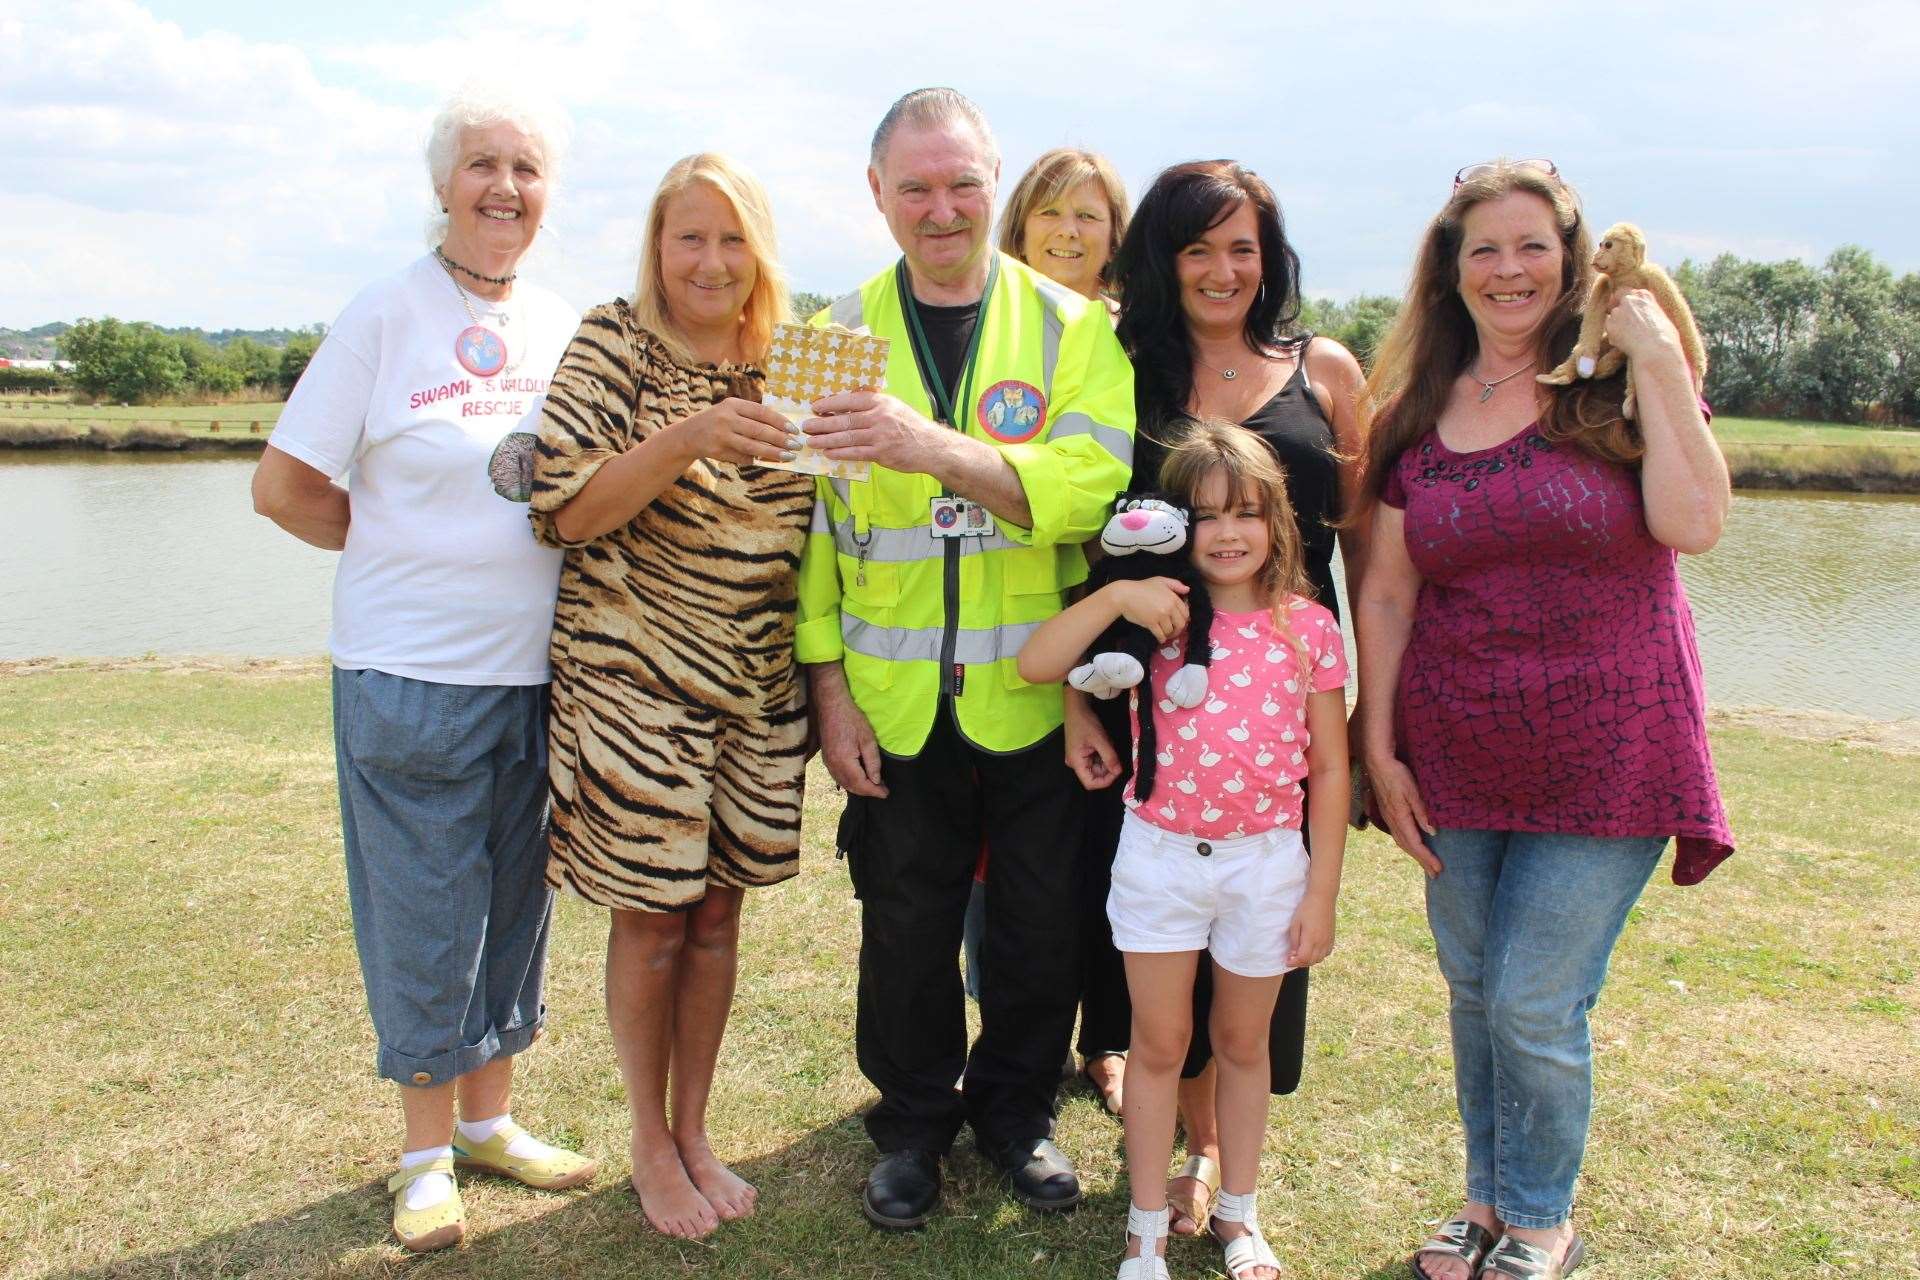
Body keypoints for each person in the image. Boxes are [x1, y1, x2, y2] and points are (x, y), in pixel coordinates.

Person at [1353, 159, 1733, 1280]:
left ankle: (1541, 1216)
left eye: (1531, 246)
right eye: (1484, 248)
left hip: (1612, 745)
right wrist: (1378, 745)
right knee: (1474, 986)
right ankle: (1485, 1201)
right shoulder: (1413, 413)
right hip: (1455, 742)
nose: (1508, 269)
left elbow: (1695, 521)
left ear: (1569, 259)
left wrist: (1657, 349)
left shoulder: (1615, 387)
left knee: (1531, 994)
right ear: (1450, 268)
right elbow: (1384, 590)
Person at [249, 85, 595, 1253]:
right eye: (483, 164)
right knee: (423, 914)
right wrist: (392, 543)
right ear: (442, 184)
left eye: (527, 168)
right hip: (409, 676)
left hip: (536, 676)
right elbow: (284, 484)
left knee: (511, 907)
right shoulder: (384, 315)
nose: (505, 187)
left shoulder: (560, 322)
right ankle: (422, 1155)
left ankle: (492, 1121)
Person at [794, 87, 1135, 1230]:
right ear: (878, 195)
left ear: (998, 185)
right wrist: (828, 689)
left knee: (1042, 923)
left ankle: (1016, 1112)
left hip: (1037, 691)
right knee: (903, 925)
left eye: (963, 184)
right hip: (890, 699)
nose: (942, 209)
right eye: (916, 186)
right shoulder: (827, 335)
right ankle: (911, 1124)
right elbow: (810, 538)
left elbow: (1091, 490)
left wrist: (928, 444)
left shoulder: (1076, 330)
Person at [526, 153, 812, 1240]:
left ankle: (696, 1126)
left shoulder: (795, 358)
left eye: (732, 239)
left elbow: (826, 518)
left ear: (760, 253)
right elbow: (565, 509)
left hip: (756, 689)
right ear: (656, 246)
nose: (710, 260)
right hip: (634, 690)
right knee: (651, 919)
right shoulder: (613, 343)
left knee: (721, 913)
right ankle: (648, 1140)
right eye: (689, 237)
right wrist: (689, 433)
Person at [1078, 158, 1368, 1233]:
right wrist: (1075, 702)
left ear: (1270, 255)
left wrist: (1368, 706)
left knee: (1257, 940)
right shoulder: (1119, 367)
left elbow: (1374, 549)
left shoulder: (1326, 369)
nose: (1221, 267)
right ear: (1162, 256)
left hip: (1283, 694)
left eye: (1242, 245)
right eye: (1197, 246)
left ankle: (1216, 1159)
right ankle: (1161, 1125)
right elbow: (1081, 541)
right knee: (1159, 951)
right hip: (1147, 692)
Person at [1018, 420, 1349, 1280]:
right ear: (1173, 525)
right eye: (1204, 516)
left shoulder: (1308, 628)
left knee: (1245, 1045)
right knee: (1158, 1046)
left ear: (1277, 520)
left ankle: (1237, 1215)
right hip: (1159, 857)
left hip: (1268, 863)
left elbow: (1332, 769)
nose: (1228, 533)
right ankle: (1145, 1230)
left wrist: (1321, 895)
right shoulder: (1156, 618)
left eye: (1247, 512)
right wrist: (1114, 599)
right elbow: (1037, 662)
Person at [959, 147, 1130, 1101]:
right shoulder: (985, 331)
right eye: (1051, 213)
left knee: (1099, 846)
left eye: (1092, 216)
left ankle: (1103, 1036)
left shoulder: (1129, 341)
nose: (1070, 231)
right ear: (1018, 222)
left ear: (1116, 237)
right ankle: (1003, 1033)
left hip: (1118, 621)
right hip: (1006, 633)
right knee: (1000, 863)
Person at [998, 146, 1131, 313]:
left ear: (1114, 242)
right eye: (1050, 213)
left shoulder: (1138, 336)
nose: (1068, 231)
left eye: (1087, 216)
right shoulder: (982, 323)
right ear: (1020, 238)